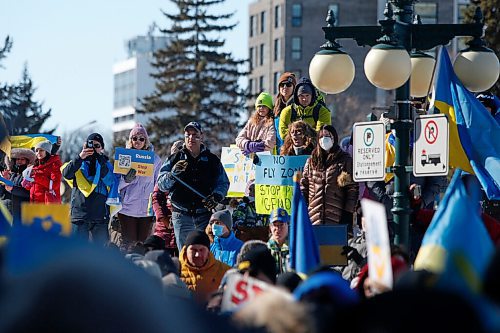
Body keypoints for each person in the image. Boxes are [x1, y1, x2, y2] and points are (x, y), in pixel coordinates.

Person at [157, 121, 230, 251]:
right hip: (181, 216)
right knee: (184, 256)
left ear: (202, 136)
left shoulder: (212, 160)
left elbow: (223, 183)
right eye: (188, 135)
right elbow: (161, 184)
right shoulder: (174, 158)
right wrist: (172, 175)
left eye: (195, 134)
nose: (191, 138)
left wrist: (217, 196)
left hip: (204, 216)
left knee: (205, 254)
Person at [62, 133, 118, 244]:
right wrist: (80, 157)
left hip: (100, 216)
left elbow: (110, 181)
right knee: (77, 252)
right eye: (91, 145)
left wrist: (100, 161)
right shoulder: (78, 162)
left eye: (97, 146)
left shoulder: (106, 164)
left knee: (100, 255)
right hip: (80, 215)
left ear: (102, 148)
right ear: (85, 146)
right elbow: (66, 174)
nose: (93, 148)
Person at [300, 125, 358, 226]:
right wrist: (302, 209)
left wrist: (347, 214)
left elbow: (352, 190)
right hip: (314, 218)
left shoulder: (344, 160)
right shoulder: (311, 161)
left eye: (327, 136)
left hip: (336, 218)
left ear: (334, 137)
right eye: (321, 136)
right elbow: (304, 187)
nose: (324, 139)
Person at [117, 124, 162, 248]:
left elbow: (158, 185)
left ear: (146, 141)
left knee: (144, 245)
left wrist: (156, 208)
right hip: (127, 208)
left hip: (146, 210)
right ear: (130, 140)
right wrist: (125, 180)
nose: (138, 141)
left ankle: (142, 266)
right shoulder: (123, 157)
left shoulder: (155, 160)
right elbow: (115, 185)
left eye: (141, 138)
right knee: (128, 245)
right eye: (134, 138)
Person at [179, 230, 230, 304]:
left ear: (208, 251)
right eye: (193, 250)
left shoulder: (225, 272)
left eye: (202, 250)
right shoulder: (175, 270)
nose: (197, 255)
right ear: (186, 250)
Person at [3, 148, 35, 222]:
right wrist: (4, 182)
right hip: (6, 212)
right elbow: (2, 194)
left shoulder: (30, 175)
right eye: (17, 159)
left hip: (22, 213)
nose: (19, 161)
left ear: (27, 160)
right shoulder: (9, 174)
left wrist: (13, 189)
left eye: (22, 159)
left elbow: (29, 193)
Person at [273, 72, 297, 152]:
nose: (285, 87)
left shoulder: (297, 106)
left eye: (288, 85)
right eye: (282, 85)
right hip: (278, 151)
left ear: (294, 88)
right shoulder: (276, 107)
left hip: (293, 152)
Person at [267, 208, 290, 274]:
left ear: (287, 225)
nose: (278, 229)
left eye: (281, 225)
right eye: (275, 225)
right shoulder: (266, 250)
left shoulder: (295, 247)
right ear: (270, 227)